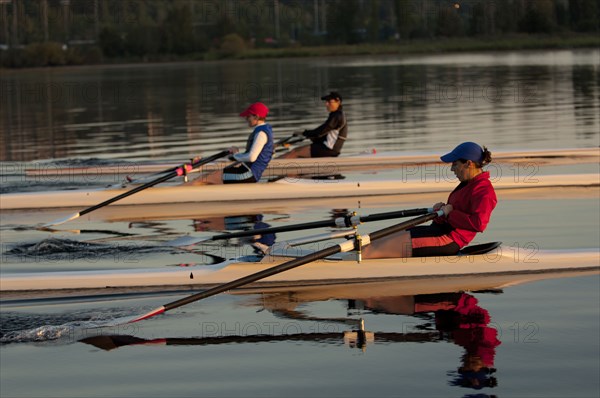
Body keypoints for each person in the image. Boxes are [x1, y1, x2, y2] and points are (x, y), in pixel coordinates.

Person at [362, 142, 497, 258]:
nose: (451, 169)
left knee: (371, 250)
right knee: (377, 239)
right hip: (438, 231)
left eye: (455, 164)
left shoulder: (484, 190)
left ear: (469, 164)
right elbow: (454, 214)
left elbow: (479, 224)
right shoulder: (468, 184)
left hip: (448, 240)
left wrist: (450, 213)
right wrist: (441, 214)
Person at [195, 102, 274, 184]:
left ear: (256, 116)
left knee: (203, 179)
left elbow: (251, 157)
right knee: (210, 176)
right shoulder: (262, 131)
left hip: (248, 174)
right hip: (246, 171)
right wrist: (236, 154)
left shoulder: (261, 134)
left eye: (248, 116)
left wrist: (234, 156)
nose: (246, 118)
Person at [279, 91, 347, 158]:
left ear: (338, 102)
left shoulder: (337, 116)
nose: (326, 104)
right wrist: (310, 136)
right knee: (298, 152)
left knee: (294, 152)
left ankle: (272, 165)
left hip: (328, 149)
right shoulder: (337, 115)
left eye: (329, 102)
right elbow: (323, 134)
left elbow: (320, 131)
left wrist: (304, 133)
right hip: (328, 148)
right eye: (326, 102)